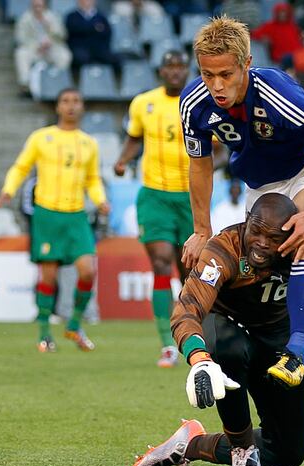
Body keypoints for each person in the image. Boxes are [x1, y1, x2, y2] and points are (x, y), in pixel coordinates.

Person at [132, 193, 304, 466]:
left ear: (289, 234)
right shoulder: (224, 249)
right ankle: (241, 449)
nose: (262, 243)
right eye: (256, 231)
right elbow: (186, 310)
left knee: (288, 453)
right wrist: (199, 358)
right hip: (228, 333)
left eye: (273, 237)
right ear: (246, 222)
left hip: (277, 343)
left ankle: (189, 444)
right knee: (226, 344)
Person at [179, 16, 304, 387]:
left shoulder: (277, 91)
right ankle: (288, 344)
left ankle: (298, 351)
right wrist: (201, 229)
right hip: (261, 182)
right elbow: (200, 165)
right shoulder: (193, 104)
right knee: (260, 259)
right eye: (208, 75)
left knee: (303, 233)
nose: (216, 86)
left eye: (226, 74)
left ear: (246, 63)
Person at [0, 88, 110, 353]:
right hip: (47, 214)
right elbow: (21, 167)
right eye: (65, 101)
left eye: (76, 101)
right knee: (48, 276)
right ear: (57, 107)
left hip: (76, 215)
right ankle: (45, 333)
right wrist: (8, 189)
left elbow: (92, 178)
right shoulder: (41, 138)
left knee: (88, 270)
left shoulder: (89, 143)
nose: (71, 106)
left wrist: (101, 199)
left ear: (82, 107)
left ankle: (73, 323)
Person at [113, 51, 193, 368]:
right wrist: (123, 159)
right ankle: (166, 345)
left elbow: (218, 146)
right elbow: (135, 137)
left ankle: (193, 337)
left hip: (190, 197)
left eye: (180, 67)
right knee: (161, 264)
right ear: (160, 71)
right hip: (155, 196)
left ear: (187, 71)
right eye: (169, 67)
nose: (175, 72)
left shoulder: (198, 101)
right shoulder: (143, 103)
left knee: (190, 271)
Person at [14, 0, 72, 94]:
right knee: (21, 53)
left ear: (45, 6)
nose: (37, 8)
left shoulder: (53, 17)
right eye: (35, 6)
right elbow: (20, 38)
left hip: (52, 48)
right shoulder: (25, 18)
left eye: (40, 6)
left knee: (65, 55)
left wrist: (50, 29)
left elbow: (63, 35)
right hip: (34, 49)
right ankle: (26, 85)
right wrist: (37, 45)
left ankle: (57, 81)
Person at [65, 0, 119, 71]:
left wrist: (85, 28)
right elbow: (72, 31)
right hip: (80, 49)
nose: (86, 1)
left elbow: (106, 33)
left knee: (116, 59)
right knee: (81, 58)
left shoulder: (102, 17)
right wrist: (94, 28)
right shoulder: (71, 16)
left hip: (99, 49)